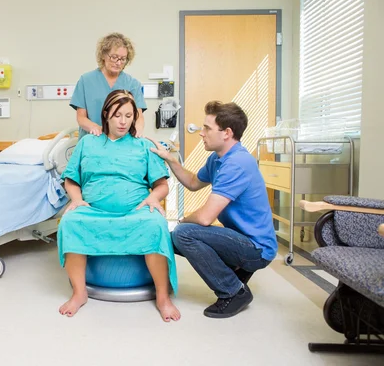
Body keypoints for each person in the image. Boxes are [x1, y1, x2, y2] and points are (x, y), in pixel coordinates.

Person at [57, 89, 180, 322]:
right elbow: (71, 179)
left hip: (135, 211)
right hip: (93, 211)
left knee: (155, 224)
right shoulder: (87, 143)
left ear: (135, 117)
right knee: (71, 222)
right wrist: (76, 199)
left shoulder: (142, 146)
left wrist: (154, 197)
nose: (123, 122)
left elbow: (161, 184)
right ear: (106, 115)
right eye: (117, 115)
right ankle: (79, 292)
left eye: (128, 115)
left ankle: (162, 297)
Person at [150, 101, 277, 319]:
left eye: (207, 128)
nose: (201, 133)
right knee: (173, 239)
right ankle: (236, 271)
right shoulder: (218, 158)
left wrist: (182, 222)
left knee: (183, 234)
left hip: (257, 248)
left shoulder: (237, 163)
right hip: (240, 237)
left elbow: (206, 217)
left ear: (227, 133)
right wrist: (170, 159)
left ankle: (233, 291)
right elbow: (192, 182)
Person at [70, 32, 146, 139]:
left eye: (123, 59)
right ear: (103, 55)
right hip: (93, 140)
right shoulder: (86, 81)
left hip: (122, 142)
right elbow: (81, 117)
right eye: (114, 57)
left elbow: (139, 117)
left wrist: (138, 130)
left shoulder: (133, 84)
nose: (118, 63)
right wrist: (95, 128)